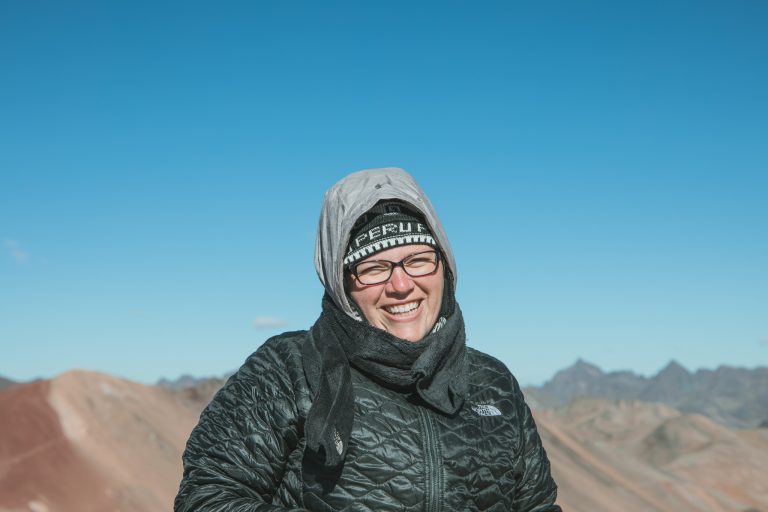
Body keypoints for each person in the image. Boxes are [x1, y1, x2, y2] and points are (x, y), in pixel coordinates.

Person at [175, 168, 561, 511]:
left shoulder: (494, 382)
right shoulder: (286, 368)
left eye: (419, 259)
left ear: (445, 266)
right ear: (343, 285)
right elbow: (208, 496)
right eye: (373, 268)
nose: (401, 284)